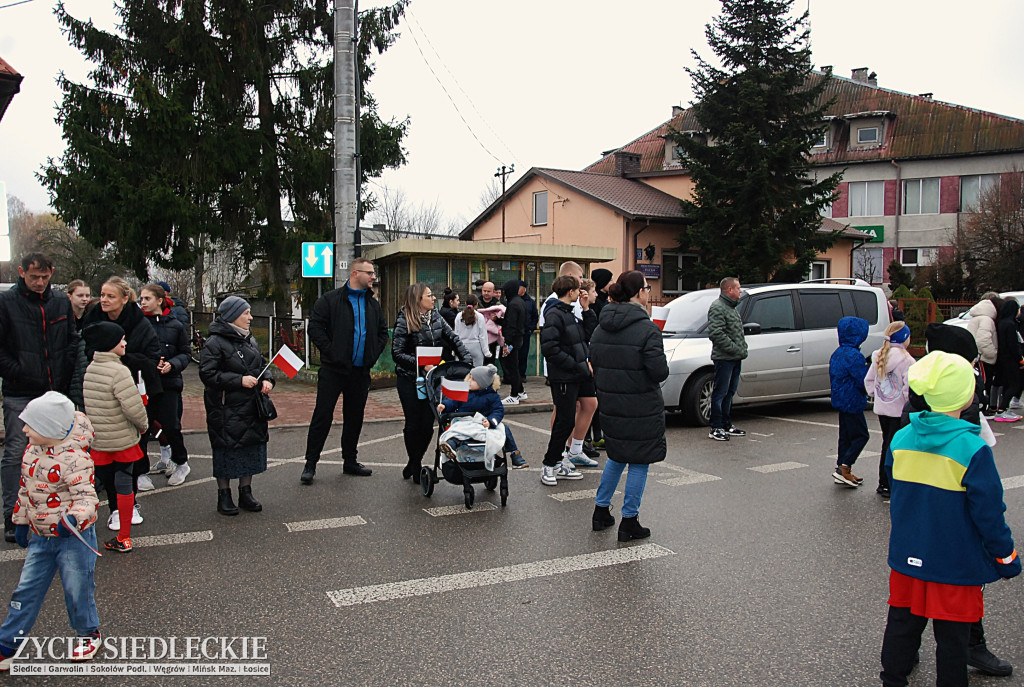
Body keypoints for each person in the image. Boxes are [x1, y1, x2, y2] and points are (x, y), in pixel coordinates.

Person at [880, 351, 1020, 687]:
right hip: (955, 563)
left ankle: (893, 680)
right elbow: (989, 514)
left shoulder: (901, 439)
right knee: (953, 639)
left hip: (907, 555)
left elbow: (896, 490)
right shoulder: (972, 449)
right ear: (968, 396)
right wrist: (1006, 557)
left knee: (902, 624)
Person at [0, 392, 101, 668]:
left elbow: (87, 499)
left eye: (30, 425)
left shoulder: (75, 459)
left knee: (77, 589)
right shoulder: (32, 452)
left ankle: (88, 633)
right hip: (41, 537)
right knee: (26, 589)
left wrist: (71, 520)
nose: (23, 430)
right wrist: (19, 521)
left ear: (49, 429)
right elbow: (26, 491)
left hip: (73, 539)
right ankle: (8, 642)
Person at [0, 253, 78, 543]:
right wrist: (19, 371)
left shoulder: (59, 302)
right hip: (20, 390)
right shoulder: (7, 302)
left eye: (45, 277)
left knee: (58, 453)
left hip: (54, 390)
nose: (39, 282)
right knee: (17, 452)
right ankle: (12, 515)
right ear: (22, 272)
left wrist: (65, 373)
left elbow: (71, 339)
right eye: (34, 277)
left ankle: (53, 512)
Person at [590, 271, 668, 542]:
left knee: (616, 455)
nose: (648, 292)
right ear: (639, 293)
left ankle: (600, 512)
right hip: (640, 404)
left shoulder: (601, 326)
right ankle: (629, 520)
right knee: (639, 460)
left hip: (611, 402)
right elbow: (659, 371)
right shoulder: (647, 328)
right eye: (647, 288)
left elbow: (595, 362)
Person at [301, 258, 389, 483]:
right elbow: (315, 327)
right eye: (369, 273)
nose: (373, 277)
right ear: (354, 273)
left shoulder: (372, 304)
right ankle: (310, 464)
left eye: (373, 273)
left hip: (360, 371)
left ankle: (350, 461)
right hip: (333, 370)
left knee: (354, 417)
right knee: (322, 415)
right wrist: (332, 352)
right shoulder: (331, 300)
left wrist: (371, 355)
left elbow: (381, 333)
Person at [81, 277, 163, 496]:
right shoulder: (93, 319)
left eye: (110, 296)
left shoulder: (140, 322)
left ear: (124, 299)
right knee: (104, 437)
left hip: (135, 385)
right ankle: (104, 482)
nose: (104, 300)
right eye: (102, 295)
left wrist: (121, 360)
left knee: (134, 437)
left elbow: (152, 355)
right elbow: (86, 351)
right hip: (99, 387)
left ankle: (134, 480)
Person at [199, 297, 275, 515]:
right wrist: (239, 380)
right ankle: (224, 495)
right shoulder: (214, 342)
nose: (250, 317)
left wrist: (268, 379)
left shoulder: (250, 340)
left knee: (249, 448)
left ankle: (246, 492)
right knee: (226, 449)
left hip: (251, 407)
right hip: (226, 409)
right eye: (246, 313)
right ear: (233, 316)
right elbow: (208, 374)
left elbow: (261, 364)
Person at [392, 283, 472, 483]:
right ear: (418, 299)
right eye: (429, 295)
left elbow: (453, 338)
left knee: (428, 424)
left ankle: (414, 461)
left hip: (432, 378)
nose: (433, 298)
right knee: (413, 424)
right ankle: (415, 463)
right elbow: (397, 353)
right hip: (410, 379)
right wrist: (421, 364)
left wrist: (467, 360)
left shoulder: (436, 317)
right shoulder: (405, 320)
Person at [82, 322, 148, 552]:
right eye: (121, 339)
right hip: (122, 439)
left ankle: (82, 532)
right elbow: (133, 407)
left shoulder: (90, 369)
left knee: (96, 484)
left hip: (99, 440)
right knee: (124, 483)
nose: (125, 343)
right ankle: (124, 536)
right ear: (110, 344)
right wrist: (143, 425)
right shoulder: (119, 371)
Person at [538, 275, 596, 486]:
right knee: (565, 421)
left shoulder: (569, 313)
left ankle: (560, 461)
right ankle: (550, 463)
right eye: (577, 290)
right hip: (564, 376)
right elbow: (550, 349)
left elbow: (588, 334)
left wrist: (586, 308)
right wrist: (575, 364)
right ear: (570, 292)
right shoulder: (555, 314)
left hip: (576, 374)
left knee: (574, 415)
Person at [138, 284, 191, 486]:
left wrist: (172, 364)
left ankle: (180, 463)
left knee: (171, 426)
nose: (143, 302)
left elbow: (186, 353)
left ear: (160, 300)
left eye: (147, 299)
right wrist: (150, 364)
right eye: (141, 299)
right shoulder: (139, 325)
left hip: (169, 383)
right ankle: (141, 471)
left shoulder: (176, 325)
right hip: (146, 384)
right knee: (143, 427)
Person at [436, 364, 527, 468]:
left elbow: (498, 411)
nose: (469, 381)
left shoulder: (492, 396)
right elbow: (453, 402)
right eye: (470, 377)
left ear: (483, 383)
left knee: (504, 429)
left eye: (473, 380)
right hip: (463, 420)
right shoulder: (464, 392)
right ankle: (450, 446)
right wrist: (444, 405)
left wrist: (491, 421)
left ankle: (515, 454)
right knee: (456, 431)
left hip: (482, 423)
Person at [863, 322, 913, 499]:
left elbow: (868, 380)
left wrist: (875, 395)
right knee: (895, 447)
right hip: (898, 410)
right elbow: (909, 387)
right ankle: (889, 482)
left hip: (882, 409)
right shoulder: (907, 360)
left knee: (886, 443)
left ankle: (883, 482)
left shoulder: (878, 355)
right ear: (905, 338)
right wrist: (909, 404)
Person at [830, 316, 870, 487]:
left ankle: (843, 467)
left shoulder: (838, 353)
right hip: (853, 400)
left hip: (841, 399)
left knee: (845, 436)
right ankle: (845, 466)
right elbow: (863, 380)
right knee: (861, 435)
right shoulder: (855, 356)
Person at [706, 277, 748, 441]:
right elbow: (716, 334)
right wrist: (735, 349)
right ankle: (716, 426)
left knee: (730, 392)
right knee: (720, 392)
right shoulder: (718, 307)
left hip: (735, 357)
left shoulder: (732, 308)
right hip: (724, 358)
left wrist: (740, 349)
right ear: (729, 290)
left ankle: (726, 424)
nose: (740, 291)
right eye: (738, 288)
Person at [966, 292, 999, 413]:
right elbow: (983, 340)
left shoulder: (977, 317)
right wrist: (993, 354)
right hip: (983, 357)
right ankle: (984, 407)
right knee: (985, 383)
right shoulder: (986, 319)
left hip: (976, 355)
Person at [991, 299, 1021, 422]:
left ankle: (1002, 408)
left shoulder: (1001, 323)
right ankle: (1002, 409)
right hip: (1010, 359)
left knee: (1006, 384)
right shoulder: (1010, 325)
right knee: (1015, 384)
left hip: (1002, 358)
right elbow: (1013, 344)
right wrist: (1020, 359)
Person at [499, 280, 527, 405]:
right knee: (514, 365)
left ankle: (514, 395)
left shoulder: (513, 304)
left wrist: (507, 344)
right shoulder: (520, 302)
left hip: (512, 340)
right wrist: (499, 320)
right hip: (518, 338)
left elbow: (511, 325)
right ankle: (521, 391)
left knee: (512, 367)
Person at [455, 294, 489, 367]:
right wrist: (486, 352)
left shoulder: (459, 316)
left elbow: (456, 334)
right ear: (476, 304)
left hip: (462, 346)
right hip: (476, 346)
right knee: (477, 373)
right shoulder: (480, 316)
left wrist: (454, 350)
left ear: (465, 303)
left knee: (461, 371)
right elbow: (482, 336)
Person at [517, 281, 539, 384]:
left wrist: (531, 328)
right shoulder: (513, 300)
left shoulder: (530, 301)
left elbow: (535, 316)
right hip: (516, 333)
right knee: (514, 354)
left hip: (526, 332)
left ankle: (522, 375)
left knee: (523, 354)